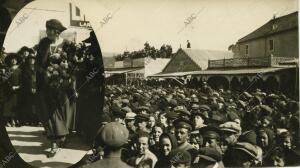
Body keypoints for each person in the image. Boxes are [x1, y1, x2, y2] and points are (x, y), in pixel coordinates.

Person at [35, 19, 68, 157]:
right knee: (47, 113)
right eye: (46, 29)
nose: (47, 31)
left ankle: (61, 135)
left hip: (61, 85)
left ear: (57, 31)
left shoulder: (66, 44)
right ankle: (54, 142)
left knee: (59, 111)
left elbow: (72, 64)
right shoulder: (43, 43)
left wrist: (64, 73)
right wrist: (45, 73)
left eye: (50, 29)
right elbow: (37, 64)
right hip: (45, 84)